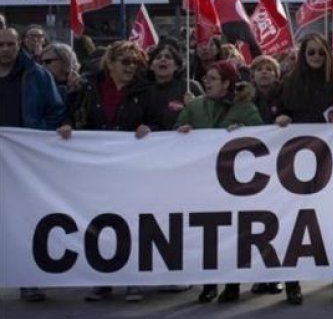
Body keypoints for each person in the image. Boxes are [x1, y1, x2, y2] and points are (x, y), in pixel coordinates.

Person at [58, 41, 153, 303]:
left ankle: (133, 280)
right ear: (110, 62)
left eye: (134, 62)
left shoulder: (144, 90)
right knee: (99, 221)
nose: (130, 67)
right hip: (97, 168)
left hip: (131, 168)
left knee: (131, 222)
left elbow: (156, 120)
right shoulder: (90, 88)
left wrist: (149, 127)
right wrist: (67, 125)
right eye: (125, 61)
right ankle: (103, 280)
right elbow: (72, 114)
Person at [175, 60, 263, 303]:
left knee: (234, 234)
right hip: (203, 183)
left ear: (227, 83)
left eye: (213, 78)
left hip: (234, 186)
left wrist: (245, 131)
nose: (207, 82)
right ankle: (209, 283)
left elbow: (263, 138)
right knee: (208, 235)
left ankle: (233, 284)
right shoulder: (195, 107)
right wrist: (180, 131)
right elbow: (175, 131)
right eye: (207, 78)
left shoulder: (245, 109)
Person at [275, 33, 333, 305]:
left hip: (329, 163)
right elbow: (274, 111)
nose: (317, 57)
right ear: (303, 56)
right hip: (294, 165)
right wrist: (279, 118)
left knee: (332, 221)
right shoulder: (288, 84)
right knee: (294, 224)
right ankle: (293, 283)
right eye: (311, 53)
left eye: (321, 52)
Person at [0, 27, 65, 303]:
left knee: (26, 219)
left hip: (23, 161)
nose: (5, 49)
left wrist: (35, 136)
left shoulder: (37, 76)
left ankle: (29, 279)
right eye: (0, 44)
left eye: (10, 44)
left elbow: (57, 110)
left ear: (20, 45)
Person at [142, 43, 200, 131]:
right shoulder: (143, 91)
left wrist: (195, 106)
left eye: (168, 57)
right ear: (151, 66)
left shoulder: (190, 87)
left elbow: (206, 120)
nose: (163, 59)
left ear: (177, 66)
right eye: (158, 57)